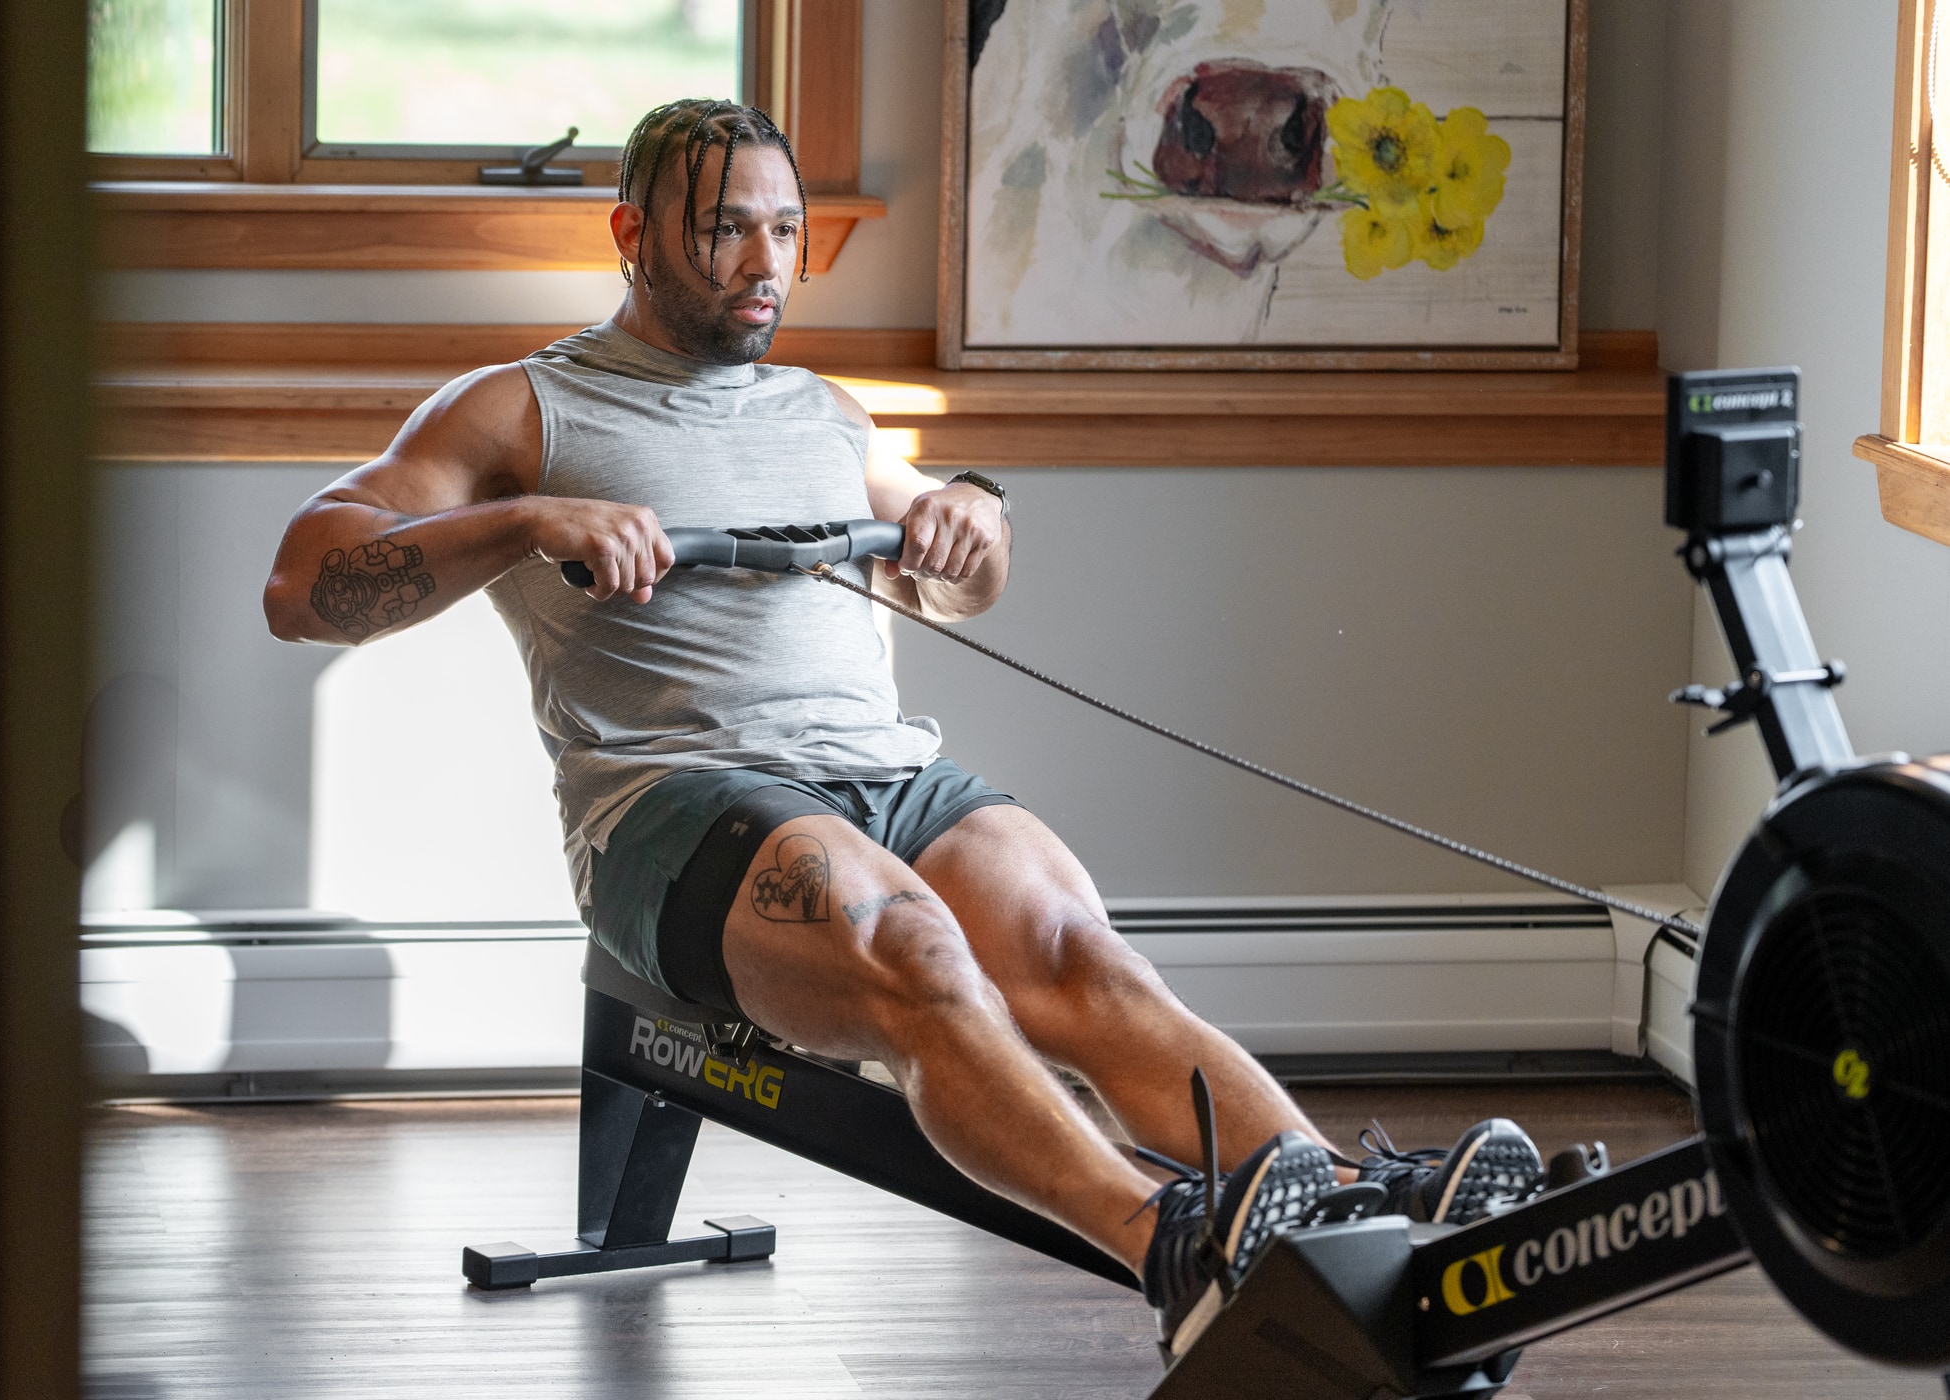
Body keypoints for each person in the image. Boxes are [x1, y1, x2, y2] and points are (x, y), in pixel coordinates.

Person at [263, 98, 1545, 1358]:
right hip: (681, 805)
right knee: (922, 954)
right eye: (725, 230)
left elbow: (955, 577)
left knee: (1077, 958)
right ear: (630, 232)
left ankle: (1349, 1218)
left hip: (889, 778)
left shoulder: (825, 414)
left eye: (786, 231)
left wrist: (974, 515)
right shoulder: (524, 411)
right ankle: (1178, 1250)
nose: (767, 264)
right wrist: (527, 524)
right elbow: (303, 586)